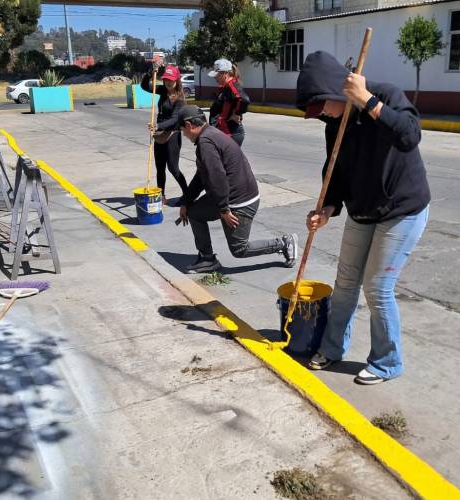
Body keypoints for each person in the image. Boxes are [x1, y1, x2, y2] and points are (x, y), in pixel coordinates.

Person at [296, 51, 431, 385]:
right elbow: (336, 173)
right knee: (344, 283)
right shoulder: (333, 125)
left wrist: (368, 102)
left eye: (323, 106)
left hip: (402, 209)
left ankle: (387, 361)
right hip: (362, 210)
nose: (322, 114)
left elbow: (410, 135)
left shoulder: (383, 95)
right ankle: (331, 348)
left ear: (336, 91)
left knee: (377, 287)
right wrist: (326, 209)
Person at [175, 105, 298, 274]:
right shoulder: (210, 134)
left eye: (182, 129)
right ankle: (207, 258)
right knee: (194, 212)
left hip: (240, 202)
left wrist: (224, 209)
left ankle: (284, 244)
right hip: (231, 196)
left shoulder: (206, 142)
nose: (184, 134)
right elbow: (201, 177)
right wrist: (186, 202)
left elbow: (216, 177)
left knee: (239, 249)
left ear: (189, 125)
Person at [141, 64, 189, 205]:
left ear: (177, 80)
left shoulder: (180, 99)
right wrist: (149, 74)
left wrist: (158, 126)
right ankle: (161, 196)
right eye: (166, 79)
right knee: (160, 167)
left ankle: (187, 194)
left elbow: (175, 119)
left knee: (173, 169)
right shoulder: (162, 90)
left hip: (172, 135)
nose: (168, 82)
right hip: (159, 134)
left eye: (171, 80)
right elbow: (144, 86)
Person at [207, 59, 250, 146]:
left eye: (216, 75)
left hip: (230, 133)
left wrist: (236, 114)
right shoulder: (225, 87)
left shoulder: (232, 86)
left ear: (225, 73)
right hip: (223, 133)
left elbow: (244, 99)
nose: (215, 77)